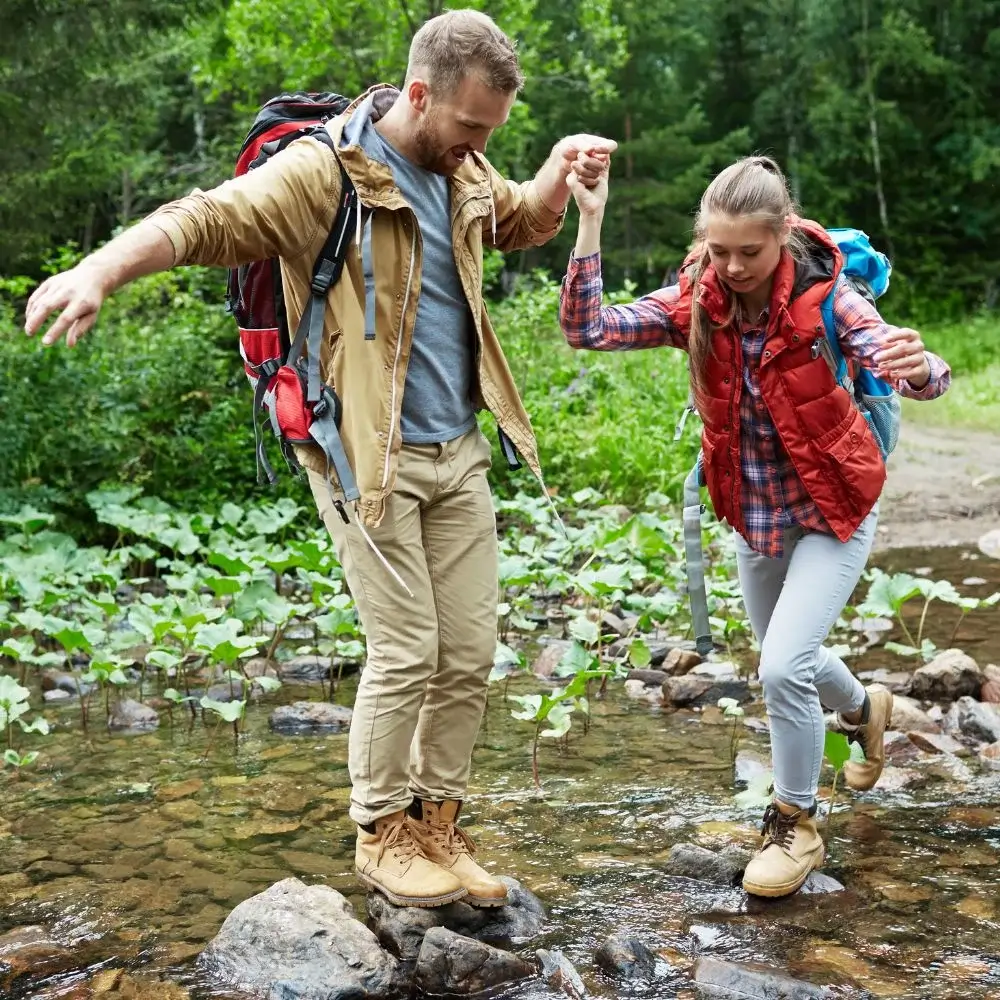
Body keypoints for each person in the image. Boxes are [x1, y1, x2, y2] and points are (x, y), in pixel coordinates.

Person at [24, 9, 615, 910]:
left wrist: (553, 175)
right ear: (419, 95)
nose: (478, 147)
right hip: (361, 454)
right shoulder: (322, 174)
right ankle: (382, 833)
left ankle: (438, 826)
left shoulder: (463, 167)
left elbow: (514, 223)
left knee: (469, 652)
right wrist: (103, 268)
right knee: (408, 646)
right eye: (470, 128)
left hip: (456, 449)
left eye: (492, 133)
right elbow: (204, 221)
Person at [558, 154, 951, 898]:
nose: (732, 266)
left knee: (779, 667)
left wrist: (920, 363)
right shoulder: (696, 299)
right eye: (719, 250)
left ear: (781, 239)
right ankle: (868, 711)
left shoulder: (828, 300)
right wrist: (589, 219)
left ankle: (794, 823)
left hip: (835, 511)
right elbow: (589, 329)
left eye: (750, 251)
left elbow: (908, 367)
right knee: (785, 656)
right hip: (755, 514)